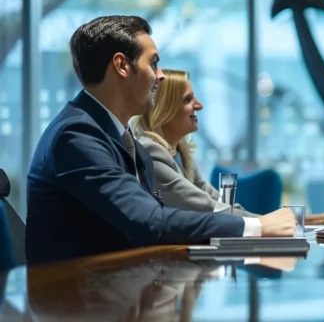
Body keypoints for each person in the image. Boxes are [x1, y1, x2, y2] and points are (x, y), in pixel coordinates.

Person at [26, 15, 296, 265]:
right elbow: (151, 222)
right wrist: (257, 227)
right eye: (153, 63)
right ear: (121, 66)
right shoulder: (77, 136)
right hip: (74, 304)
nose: (162, 75)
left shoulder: (120, 137)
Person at [130, 69, 324, 225]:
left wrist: (298, 219)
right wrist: (282, 222)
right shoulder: (151, 152)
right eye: (188, 100)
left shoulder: (180, 155)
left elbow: (223, 206)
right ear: (166, 109)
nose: (199, 105)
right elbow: (207, 206)